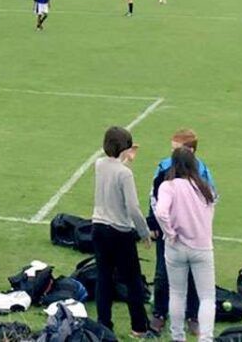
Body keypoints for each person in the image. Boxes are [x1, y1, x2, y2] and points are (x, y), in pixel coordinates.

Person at [148, 130, 216, 336]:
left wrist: (169, 231)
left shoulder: (198, 173)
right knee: (165, 277)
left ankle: (186, 324)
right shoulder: (165, 169)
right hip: (196, 241)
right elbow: (153, 197)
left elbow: (158, 205)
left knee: (180, 289)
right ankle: (161, 313)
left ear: (190, 151)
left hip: (175, 240)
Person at [92, 126, 153, 338]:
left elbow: (113, 171)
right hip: (119, 232)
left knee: (104, 278)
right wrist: (144, 232)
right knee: (132, 281)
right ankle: (139, 326)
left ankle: (104, 324)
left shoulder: (99, 164)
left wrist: (126, 158)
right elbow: (133, 208)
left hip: (98, 228)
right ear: (124, 148)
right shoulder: (125, 174)